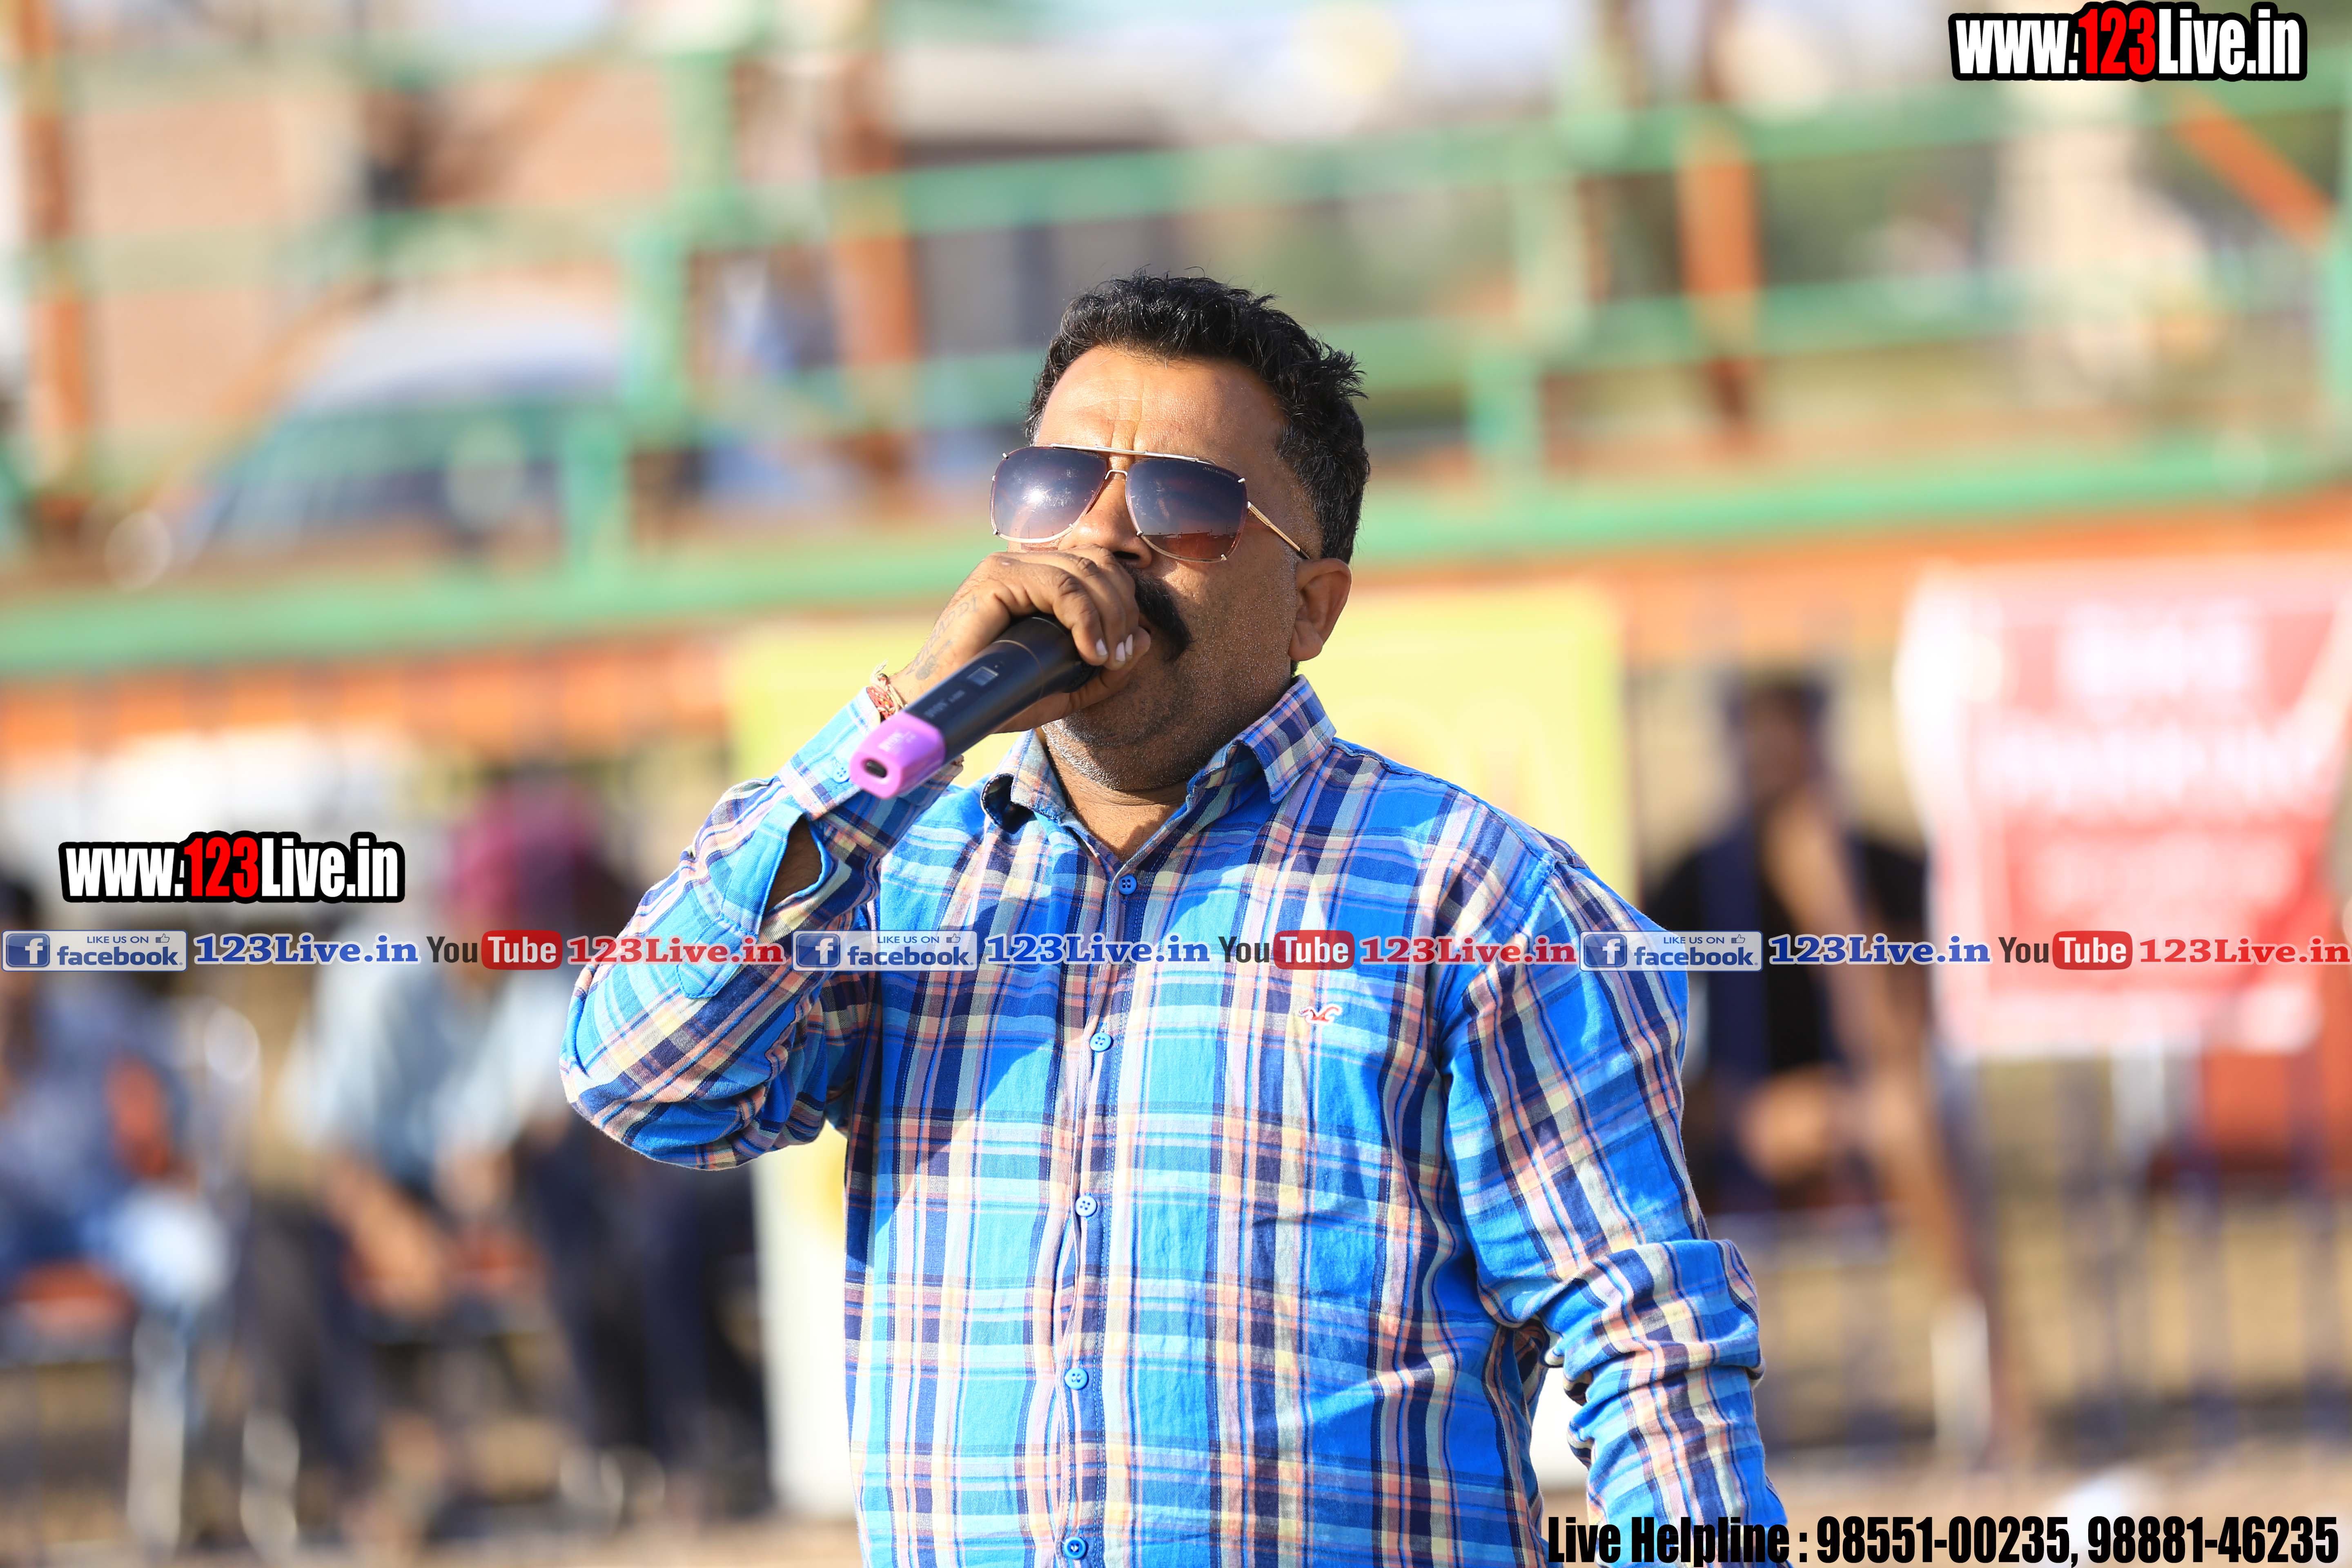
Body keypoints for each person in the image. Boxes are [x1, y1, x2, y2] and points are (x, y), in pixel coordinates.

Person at [564, 272, 1781, 1560]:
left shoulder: (1475, 901)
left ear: (1312, 604)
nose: (1100, 539)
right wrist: (906, 724)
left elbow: (1649, 1352)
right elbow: (643, 1079)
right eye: (1056, 487)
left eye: (1180, 504)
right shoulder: (907, 885)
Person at [1645, 675, 2025, 1459]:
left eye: (1790, 751)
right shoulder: (1695, 877)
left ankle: (2000, 1381)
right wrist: (1743, 1113)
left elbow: (1901, 1042)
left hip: (1862, 1108)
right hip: (1733, 1120)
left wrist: (1835, 907)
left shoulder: (1886, 864)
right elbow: (1643, 1049)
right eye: (1758, 753)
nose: (1775, 775)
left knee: (1908, 1116)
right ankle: (1670, 1414)